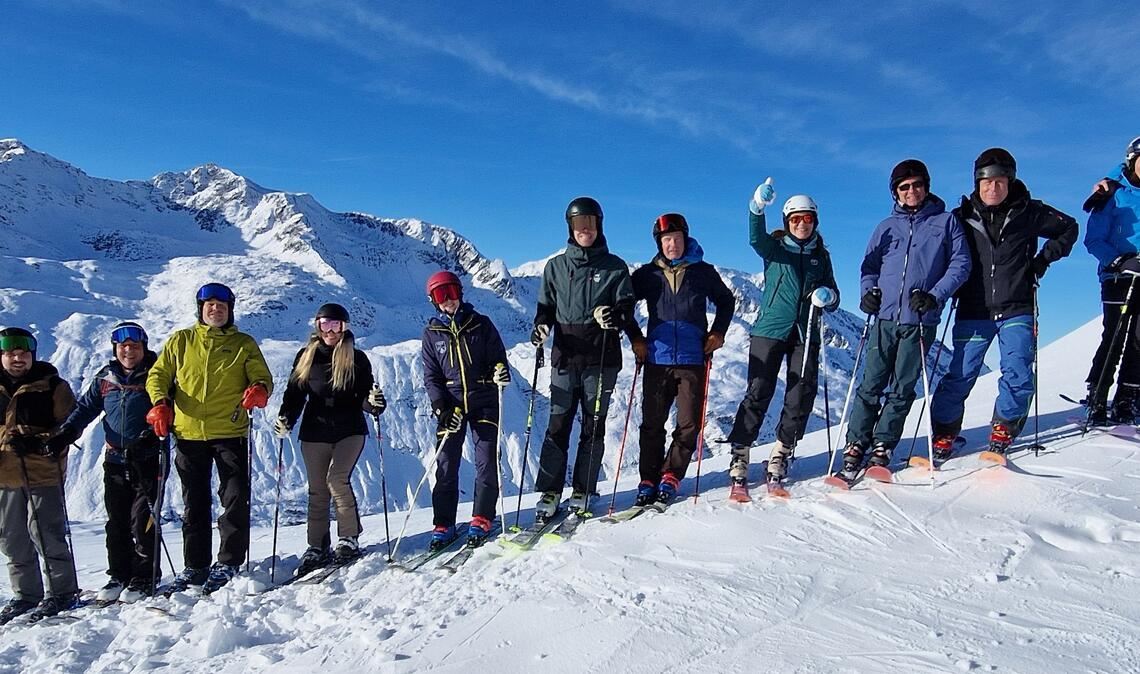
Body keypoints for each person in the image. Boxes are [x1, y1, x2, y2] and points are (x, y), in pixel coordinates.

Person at [929, 148, 1078, 456]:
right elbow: (940, 254)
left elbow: (1068, 227)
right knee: (961, 373)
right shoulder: (961, 218)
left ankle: (1004, 427)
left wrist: (1042, 261)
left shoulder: (1030, 212)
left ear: (1010, 181)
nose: (992, 188)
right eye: (986, 182)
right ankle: (944, 432)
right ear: (977, 183)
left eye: (999, 181)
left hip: (1017, 306)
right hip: (973, 308)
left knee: (1018, 370)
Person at [840, 160, 971, 472]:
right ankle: (857, 441)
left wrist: (934, 295)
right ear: (895, 192)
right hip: (884, 319)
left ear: (926, 186)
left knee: (902, 387)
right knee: (870, 384)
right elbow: (869, 267)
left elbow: (961, 264)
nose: (911, 191)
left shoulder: (946, 222)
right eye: (904, 187)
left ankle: (883, 444)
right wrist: (868, 293)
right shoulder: (886, 227)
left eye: (916, 184)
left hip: (920, 320)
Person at [146, 283, 273, 594]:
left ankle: (229, 561)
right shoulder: (181, 341)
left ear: (230, 311)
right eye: (210, 305)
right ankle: (196, 565)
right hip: (188, 433)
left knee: (233, 498)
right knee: (195, 502)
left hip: (229, 432)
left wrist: (259, 389)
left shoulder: (243, 344)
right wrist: (160, 402)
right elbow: (158, 375)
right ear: (200, 309)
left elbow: (262, 376)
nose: (215, 310)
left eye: (222, 305)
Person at [726, 180, 840, 497]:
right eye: (795, 219)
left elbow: (835, 295)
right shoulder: (775, 250)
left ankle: (781, 453)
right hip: (770, 329)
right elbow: (755, 238)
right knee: (759, 391)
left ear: (815, 221)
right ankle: (740, 457)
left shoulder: (821, 255)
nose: (802, 224)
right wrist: (756, 207)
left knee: (800, 392)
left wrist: (828, 295)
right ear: (787, 222)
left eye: (807, 218)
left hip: (806, 330)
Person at [531, 196, 638, 520]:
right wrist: (540, 327)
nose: (585, 230)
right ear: (571, 228)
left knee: (593, 425)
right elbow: (545, 308)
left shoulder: (615, 267)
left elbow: (626, 309)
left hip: (601, 358)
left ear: (599, 226)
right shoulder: (556, 267)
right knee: (558, 425)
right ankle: (550, 490)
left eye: (590, 224)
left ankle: (584, 488)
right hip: (565, 356)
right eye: (579, 225)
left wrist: (614, 317)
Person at [629, 213, 735, 505]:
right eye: (666, 240)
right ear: (658, 243)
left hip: (692, 358)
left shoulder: (703, 272)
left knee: (689, 424)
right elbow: (623, 305)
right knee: (652, 424)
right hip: (656, 358)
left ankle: (671, 475)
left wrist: (718, 333)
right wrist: (636, 338)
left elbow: (726, 301)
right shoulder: (647, 275)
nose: (671, 244)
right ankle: (648, 479)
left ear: (685, 239)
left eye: (676, 238)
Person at [54, 322, 164, 603]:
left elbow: (168, 410)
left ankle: (144, 576)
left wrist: (150, 437)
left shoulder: (156, 375)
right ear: (116, 349)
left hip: (147, 459)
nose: (129, 351)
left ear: (144, 348)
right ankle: (119, 574)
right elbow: (86, 407)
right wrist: (67, 431)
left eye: (135, 346)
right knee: (116, 521)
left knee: (143, 520)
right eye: (123, 346)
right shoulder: (106, 378)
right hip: (114, 458)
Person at [275, 303, 386, 575]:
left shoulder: (356, 358)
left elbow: (365, 395)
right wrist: (286, 417)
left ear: (344, 328)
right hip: (314, 432)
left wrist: (374, 404)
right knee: (317, 489)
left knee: (336, 479)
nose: (331, 331)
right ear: (317, 326)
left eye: (336, 325)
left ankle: (348, 538)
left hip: (349, 430)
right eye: (325, 325)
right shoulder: (306, 356)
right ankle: (317, 545)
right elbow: (295, 393)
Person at [420, 271, 510, 548]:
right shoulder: (432, 334)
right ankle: (443, 522)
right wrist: (441, 408)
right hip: (452, 407)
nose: (448, 300)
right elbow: (431, 376)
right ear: (433, 301)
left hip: (483, 400)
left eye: (451, 292)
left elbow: (498, 359)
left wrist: (500, 373)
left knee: (486, 461)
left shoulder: (480, 325)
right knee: (446, 464)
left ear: (460, 293)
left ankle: (482, 516)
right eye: (440, 295)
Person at [0, 327, 79, 624]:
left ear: (33, 355)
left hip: (42, 473)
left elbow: (70, 426)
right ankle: (26, 595)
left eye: (23, 354)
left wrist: (37, 442)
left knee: (48, 535)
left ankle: (62, 592)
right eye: (11, 354)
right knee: (12, 538)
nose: (18, 359)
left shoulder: (52, 387)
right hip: (5, 475)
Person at [1083, 137, 1140, 425]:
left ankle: (1128, 398)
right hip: (1118, 274)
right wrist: (1118, 261)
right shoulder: (1111, 192)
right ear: (1132, 160)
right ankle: (1097, 395)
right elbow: (1093, 239)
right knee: (1115, 335)